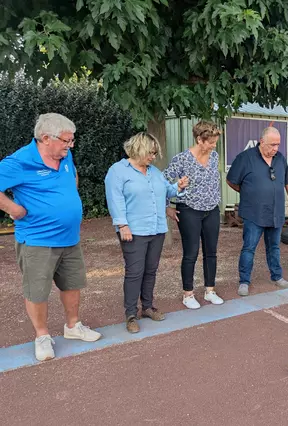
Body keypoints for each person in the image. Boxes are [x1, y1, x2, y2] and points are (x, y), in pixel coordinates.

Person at [0, 113, 101, 362]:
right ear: (46, 138)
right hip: (37, 240)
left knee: (73, 284)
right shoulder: (20, 161)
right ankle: (42, 335)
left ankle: (73, 326)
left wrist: (68, 200)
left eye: (72, 141)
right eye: (66, 141)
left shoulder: (65, 156)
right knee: (37, 291)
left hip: (70, 237)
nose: (70, 145)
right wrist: (12, 208)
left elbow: (72, 176)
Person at [105, 132, 189, 333]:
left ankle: (148, 307)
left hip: (157, 228)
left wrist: (177, 187)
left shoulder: (155, 172)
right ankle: (131, 314)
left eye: (155, 153)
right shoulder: (118, 171)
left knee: (151, 270)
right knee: (135, 272)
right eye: (151, 153)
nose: (153, 157)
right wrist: (122, 225)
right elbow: (114, 198)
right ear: (139, 149)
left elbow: (166, 191)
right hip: (133, 231)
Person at [226, 127, 288, 296]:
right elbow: (231, 180)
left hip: (276, 211)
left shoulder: (280, 159)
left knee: (274, 247)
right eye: (272, 145)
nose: (276, 149)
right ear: (261, 141)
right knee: (249, 247)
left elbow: (286, 180)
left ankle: (277, 276)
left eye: (278, 145)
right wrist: (248, 192)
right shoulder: (245, 158)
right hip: (253, 212)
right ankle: (244, 281)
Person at [164, 121, 224, 309]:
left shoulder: (214, 156)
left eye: (215, 142)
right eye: (211, 142)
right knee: (191, 252)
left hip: (212, 209)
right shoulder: (181, 159)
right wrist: (168, 206)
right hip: (189, 209)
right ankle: (188, 294)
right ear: (199, 139)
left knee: (211, 251)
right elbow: (162, 181)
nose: (214, 146)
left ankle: (210, 290)